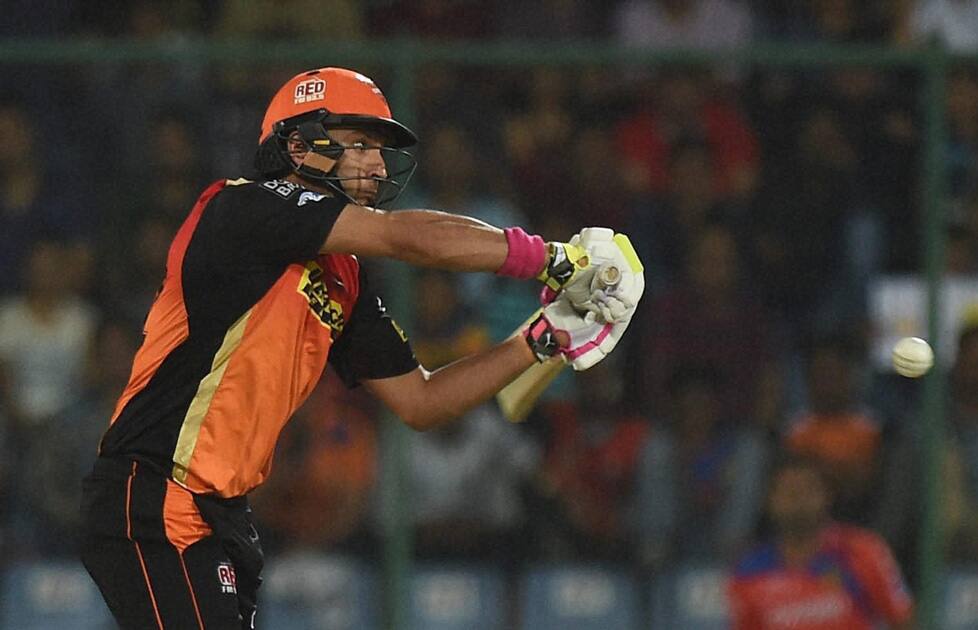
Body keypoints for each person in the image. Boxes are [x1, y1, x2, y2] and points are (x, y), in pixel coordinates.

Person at [78, 66, 643, 629]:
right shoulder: (243, 206)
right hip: (154, 491)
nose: (377, 164)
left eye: (380, 150)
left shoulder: (343, 276)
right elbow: (403, 236)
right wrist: (554, 258)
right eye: (359, 145)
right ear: (297, 146)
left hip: (219, 514)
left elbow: (421, 401)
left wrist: (541, 339)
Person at [728, 457, 913, 630]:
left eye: (808, 490)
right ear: (770, 500)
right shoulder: (749, 570)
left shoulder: (864, 551)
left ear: (826, 496)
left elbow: (903, 620)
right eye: (789, 491)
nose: (798, 500)